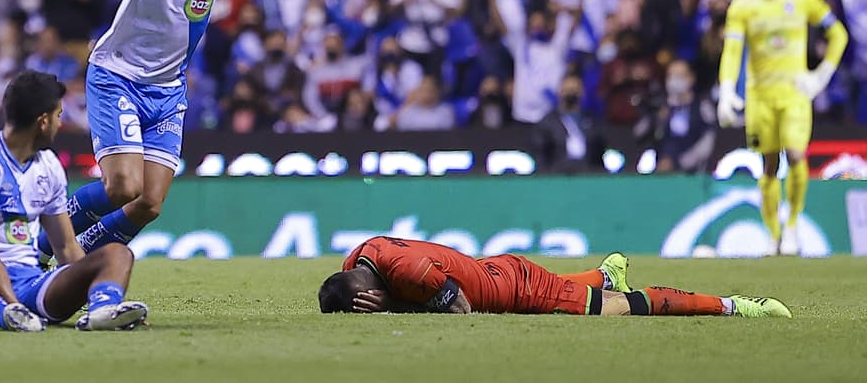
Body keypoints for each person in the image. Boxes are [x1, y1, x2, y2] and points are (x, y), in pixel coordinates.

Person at [37, 0, 315, 259]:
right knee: (123, 187)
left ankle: (75, 258)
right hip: (119, 75)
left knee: (149, 203)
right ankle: (37, 247)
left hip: (168, 89)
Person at [0, 71, 148, 333]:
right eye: (58, 115)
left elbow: (66, 246)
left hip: (30, 283)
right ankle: (5, 314)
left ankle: (103, 310)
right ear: (43, 122)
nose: (60, 123)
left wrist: (82, 282)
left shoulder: (49, 166)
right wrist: (13, 304)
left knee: (117, 253)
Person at [717, 0, 847, 255]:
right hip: (759, 97)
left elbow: (838, 34)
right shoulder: (742, 6)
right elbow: (733, 51)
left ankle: (792, 227)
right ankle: (773, 232)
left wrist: (821, 75)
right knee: (769, 165)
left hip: (794, 94)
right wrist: (726, 90)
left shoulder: (802, 0)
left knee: (797, 155)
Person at [319, 236, 791, 319]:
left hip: (516, 288)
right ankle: (605, 274)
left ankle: (734, 305)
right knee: (579, 288)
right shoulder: (359, 258)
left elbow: (460, 309)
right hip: (494, 269)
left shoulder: (407, 273)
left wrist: (394, 307)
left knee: (616, 312)